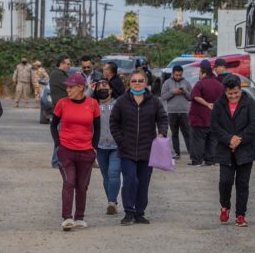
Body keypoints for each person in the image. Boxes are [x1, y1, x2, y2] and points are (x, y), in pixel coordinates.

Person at [110, 69, 168, 226]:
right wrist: (120, 140)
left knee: (143, 182)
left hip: (147, 149)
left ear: (146, 83)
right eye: (134, 81)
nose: (137, 83)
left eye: (140, 80)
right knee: (129, 180)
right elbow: (113, 122)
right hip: (126, 150)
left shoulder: (154, 101)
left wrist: (162, 133)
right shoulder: (122, 101)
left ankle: (140, 213)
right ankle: (129, 212)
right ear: (129, 83)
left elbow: (163, 118)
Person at [50, 72, 100, 231]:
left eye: (71, 87)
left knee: (82, 185)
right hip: (66, 150)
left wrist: (94, 147)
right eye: (67, 87)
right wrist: (58, 145)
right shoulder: (62, 103)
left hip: (86, 151)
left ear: (80, 88)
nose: (68, 90)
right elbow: (53, 125)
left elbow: (97, 127)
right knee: (69, 181)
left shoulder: (92, 104)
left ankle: (79, 217)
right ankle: (66, 218)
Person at [211, 74, 255, 227]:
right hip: (225, 150)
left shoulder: (249, 103)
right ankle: (225, 206)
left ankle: (240, 215)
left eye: (236, 93)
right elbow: (214, 126)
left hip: (246, 150)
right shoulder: (219, 104)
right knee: (225, 181)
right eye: (230, 93)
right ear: (225, 92)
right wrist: (228, 139)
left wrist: (239, 138)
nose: (233, 96)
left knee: (242, 183)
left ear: (240, 89)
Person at [188, 60, 224, 166]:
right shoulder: (219, 84)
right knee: (212, 140)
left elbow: (195, 96)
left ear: (203, 72)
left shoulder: (200, 84)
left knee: (198, 140)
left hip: (200, 118)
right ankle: (210, 160)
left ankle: (197, 160)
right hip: (214, 119)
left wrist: (207, 104)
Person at [93, 77, 121, 215]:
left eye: (105, 85)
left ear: (110, 89)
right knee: (106, 176)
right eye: (99, 86)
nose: (102, 88)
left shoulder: (118, 104)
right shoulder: (92, 105)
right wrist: (89, 89)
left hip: (116, 146)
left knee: (113, 173)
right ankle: (113, 202)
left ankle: (111, 201)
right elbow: (81, 100)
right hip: (100, 146)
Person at [160, 65, 192, 160]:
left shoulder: (186, 82)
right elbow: (163, 97)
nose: (178, 77)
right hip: (172, 112)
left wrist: (185, 91)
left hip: (184, 112)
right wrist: (173, 92)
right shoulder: (167, 83)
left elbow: (191, 97)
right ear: (173, 73)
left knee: (187, 133)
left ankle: (191, 152)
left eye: (180, 75)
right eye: (176, 75)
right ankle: (177, 153)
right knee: (174, 133)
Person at [49, 55, 71, 168]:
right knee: (60, 137)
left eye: (69, 64)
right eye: (67, 64)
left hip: (63, 110)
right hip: (61, 110)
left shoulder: (60, 74)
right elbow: (71, 85)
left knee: (62, 136)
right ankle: (56, 161)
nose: (68, 66)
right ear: (61, 64)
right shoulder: (58, 74)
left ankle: (57, 161)